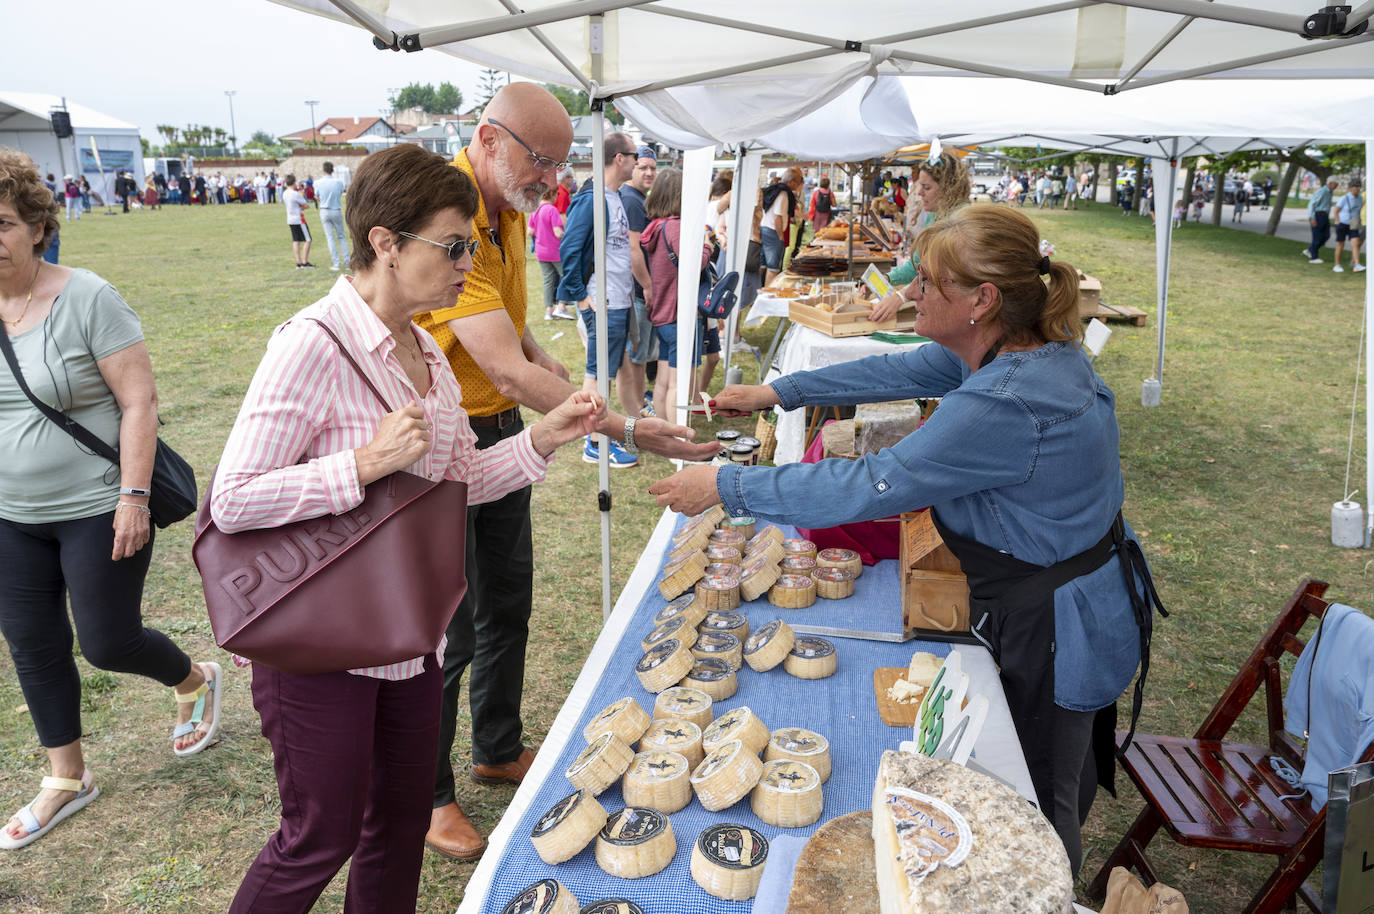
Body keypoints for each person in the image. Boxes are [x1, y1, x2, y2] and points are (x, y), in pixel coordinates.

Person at [649, 203, 1164, 878]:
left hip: (1062, 623)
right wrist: (781, 392)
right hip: (1065, 598)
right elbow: (905, 371)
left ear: (981, 300)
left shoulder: (1005, 401)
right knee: (1044, 775)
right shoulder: (1020, 351)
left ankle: (1048, 889)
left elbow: (875, 483)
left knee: (1039, 802)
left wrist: (728, 488)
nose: (910, 291)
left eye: (927, 281)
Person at [214, 143, 604, 913]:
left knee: (396, 827)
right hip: (322, 643)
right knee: (319, 837)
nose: (470, 262)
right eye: (454, 245)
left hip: (407, 641)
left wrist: (545, 435)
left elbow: (456, 487)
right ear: (386, 244)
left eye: (473, 245)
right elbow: (233, 500)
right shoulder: (311, 343)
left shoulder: (425, 347)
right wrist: (359, 466)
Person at [410, 83, 716, 862]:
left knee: (507, 599)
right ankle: (429, 794)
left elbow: (525, 350)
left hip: (503, 429)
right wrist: (620, 423)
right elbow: (507, 369)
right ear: (487, 138)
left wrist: (577, 386)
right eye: (540, 162)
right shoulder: (444, 218)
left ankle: (496, 744)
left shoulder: (508, 213)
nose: (551, 182)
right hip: (444, 440)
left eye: (557, 165)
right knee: (446, 628)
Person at [0, 149, 223, 851]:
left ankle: (195, 678)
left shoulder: (88, 297)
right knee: (32, 644)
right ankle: (66, 778)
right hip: (11, 515)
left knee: (106, 641)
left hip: (100, 503)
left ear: (37, 226)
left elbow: (138, 402)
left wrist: (132, 496)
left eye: (1, 223)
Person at [558, 132, 651, 460]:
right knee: (597, 377)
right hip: (603, 303)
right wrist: (581, 299)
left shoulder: (614, 197)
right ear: (619, 158)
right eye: (634, 154)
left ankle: (605, 436)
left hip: (617, 303)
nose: (638, 162)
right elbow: (568, 249)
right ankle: (596, 444)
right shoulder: (593, 199)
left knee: (606, 374)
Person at [640, 166, 713, 419]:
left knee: (663, 381)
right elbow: (694, 265)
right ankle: (677, 438)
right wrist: (706, 247)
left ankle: (663, 431)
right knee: (680, 383)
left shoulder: (656, 226)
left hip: (663, 313)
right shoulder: (675, 227)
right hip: (679, 314)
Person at [870, 152, 972, 323]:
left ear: (948, 188)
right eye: (919, 186)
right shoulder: (935, 216)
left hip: (959, 319)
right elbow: (917, 264)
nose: (919, 192)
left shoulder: (961, 221)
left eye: (926, 187)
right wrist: (887, 278)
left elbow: (940, 274)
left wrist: (901, 297)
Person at [620, 146, 658, 415]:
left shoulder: (636, 197)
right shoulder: (632, 200)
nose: (648, 172)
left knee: (640, 351)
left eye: (652, 168)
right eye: (642, 167)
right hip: (636, 290)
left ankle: (640, 399)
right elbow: (634, 249)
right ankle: (638, 406)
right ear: (632, 168)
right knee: (637, 353)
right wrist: (647, 285)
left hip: (635, 289)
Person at [760, 167, 803, 285]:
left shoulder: (774, 190)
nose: (799, 185)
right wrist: (780, 236)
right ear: (790, 182)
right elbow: (777, 217)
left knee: (763, 265)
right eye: (798, 182)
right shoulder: (783, 194)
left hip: (765, 228)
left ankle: (756, 292)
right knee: (773, 268)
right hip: (773, 231)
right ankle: (768, 292)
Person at [530, 186, 568, 320]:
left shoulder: (535, 209)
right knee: (565, 276)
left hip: (541, 251)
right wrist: (568, 235)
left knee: (548, 281)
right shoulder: (552, 210)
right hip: (555, 251)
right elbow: (558, 232)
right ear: (551, 195)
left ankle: (548, 311)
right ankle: (561, 306)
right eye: (556, 194)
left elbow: (530, 231)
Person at [315, 161, 350, 272]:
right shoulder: (338, 182)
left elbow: (317, 195)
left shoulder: (318, 182)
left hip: (325, 210)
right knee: (341, 237)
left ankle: (336, 263)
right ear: (332, 170)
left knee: (330, 238)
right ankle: (347, 262)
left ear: (323, 170)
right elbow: (340, 193)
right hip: (336, 210)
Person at [282, 174, 315, 269]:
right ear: (294, 182)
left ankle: (299, 262)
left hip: (290, 219)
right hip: (299, 219)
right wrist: (302, 207)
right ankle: (304, 262)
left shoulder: (285, 193)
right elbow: (306, 205)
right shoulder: (295, 194)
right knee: (307, 240)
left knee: (296, 240)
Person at [1332, 179, 1364, 273]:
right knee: (1341, 244)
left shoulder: (1360, 198)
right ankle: (1337, 265)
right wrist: (1337, 221)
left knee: (1355, 243)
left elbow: (1358, 210)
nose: (1357, 189)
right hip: (1342, 223)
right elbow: (1336, 210)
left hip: (1353, 222)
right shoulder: (1344, 198)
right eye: (1355, 186)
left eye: (1358, 186)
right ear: (1350, 188)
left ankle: (1357, 264)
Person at [1306, 177, 1338, 263]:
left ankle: (1310, 250)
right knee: (1317, 236)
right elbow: (1312, 204)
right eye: (1336, 184)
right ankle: (1314, 257)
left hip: (1324, 216)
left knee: (1326, 235)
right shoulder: (1322, 191)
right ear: (1330, 183)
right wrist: (1312, 217)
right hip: (1318, 215)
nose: (1337, 186)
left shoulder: (1330, 192)